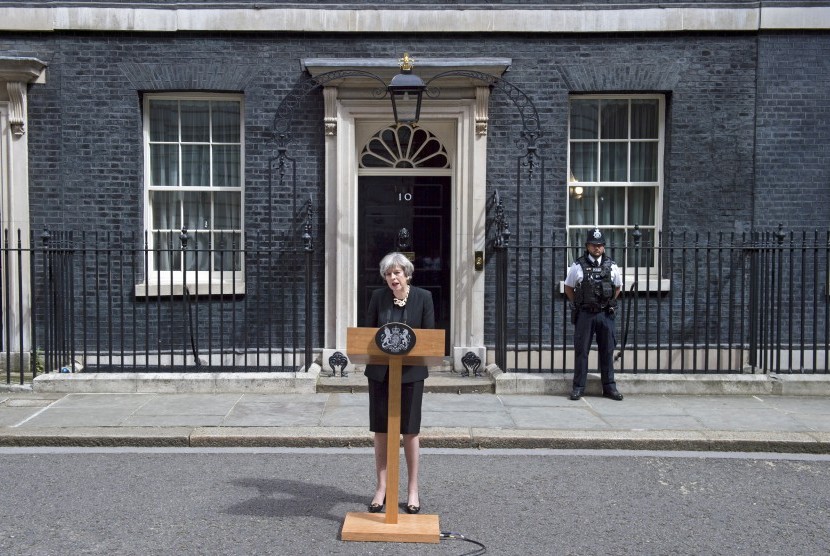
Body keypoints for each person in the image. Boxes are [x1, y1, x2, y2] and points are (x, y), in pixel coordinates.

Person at [364, 252, 435, 515]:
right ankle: (381, 488)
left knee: (410, 431)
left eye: (397, 273)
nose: (393, 278)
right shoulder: (377, 298)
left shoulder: (424, 298)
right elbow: (367, 335)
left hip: (411, 375)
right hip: (381, 374)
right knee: (381, 430)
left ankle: (412, 490)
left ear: (407, 274)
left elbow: (429, 338)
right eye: (388, 273)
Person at [564, 228, 624, 401]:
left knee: (607, 351)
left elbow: (618, 287)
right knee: (582, 351)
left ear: (604, 247)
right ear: (587, 246)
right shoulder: (577, 265)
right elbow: (568, 288)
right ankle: (578, 387)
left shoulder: (612, 266)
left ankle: (609, 388)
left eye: (600, 245)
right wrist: (579, 302)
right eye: (593, 245)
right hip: (585, 314)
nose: (597, 248)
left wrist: (608, 302)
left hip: (605, 314)